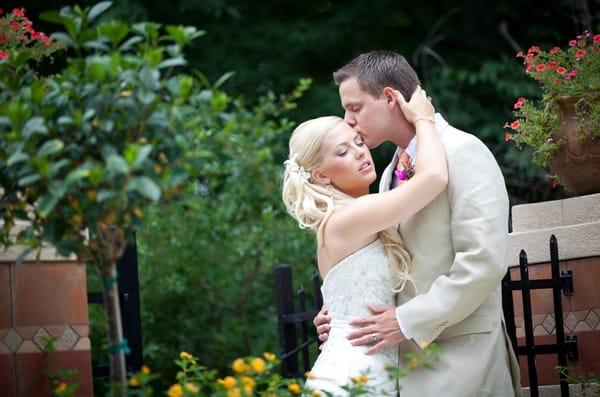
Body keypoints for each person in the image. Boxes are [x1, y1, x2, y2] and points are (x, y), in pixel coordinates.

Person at [313, 50, 522, 396]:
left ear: (389, 98)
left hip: (462, 360)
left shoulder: (463, 152)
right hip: (403, 365)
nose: (348, 120)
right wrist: (342, 314)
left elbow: (483, 262)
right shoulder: (389, 174)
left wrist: (405, 320)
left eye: (354, 107)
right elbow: (389, 265)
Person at [282, 86, 447, 395]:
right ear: (320, 176)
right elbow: (435, 178)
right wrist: (425, 120)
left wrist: (331, 317)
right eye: (342, 151)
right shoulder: (349, 218)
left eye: (358, 142)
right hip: (352, 375)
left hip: (367, 370)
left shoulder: (351, 218)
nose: (360, 151)